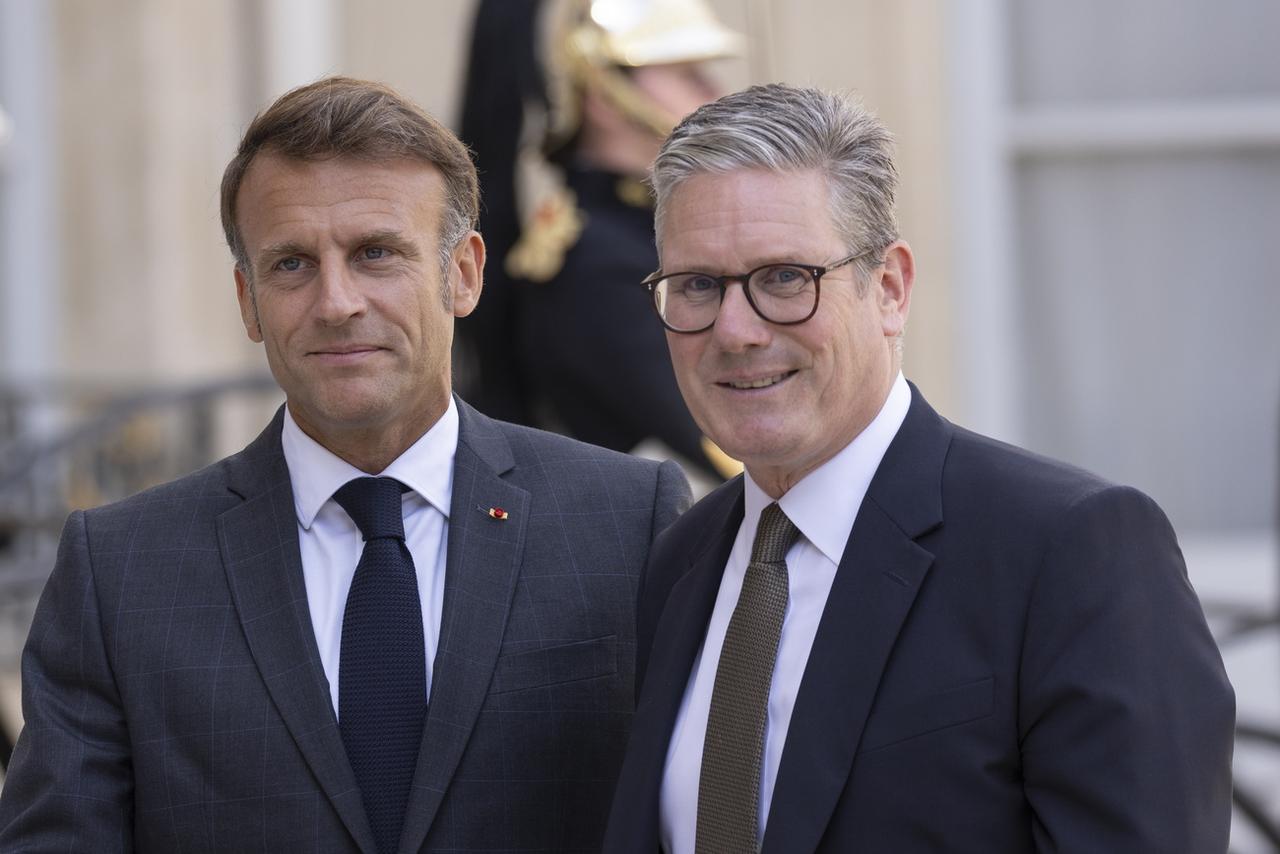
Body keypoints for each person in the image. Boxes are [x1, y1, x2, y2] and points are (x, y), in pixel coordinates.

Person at [0, 77, 690, 853]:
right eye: (292, 264)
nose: (336, 302)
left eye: (376, 254)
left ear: (461, 274)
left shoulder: (627, 522)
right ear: (248, 300)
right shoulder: (120, 572)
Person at [603, 83, 1235, 853]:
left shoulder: (1069, 549)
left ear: (891, 289)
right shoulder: (678, 563)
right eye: (698, 285)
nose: (735, 330)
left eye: (784, 280)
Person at [455, 0, 744, 482]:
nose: (715, 92)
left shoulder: (641, 235)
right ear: (607, 97)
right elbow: (726, 449)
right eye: (689, 75)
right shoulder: (596, 269)